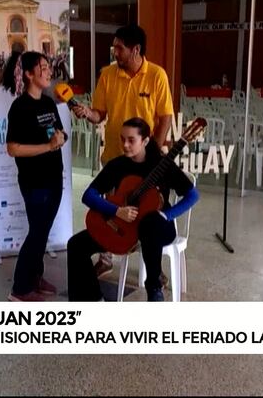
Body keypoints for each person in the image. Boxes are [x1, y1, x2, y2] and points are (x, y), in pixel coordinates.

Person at [72, 24, 174, 280]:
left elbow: (165, 117)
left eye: (119, 48)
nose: (114, 52)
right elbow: (99, 114)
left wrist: (154, 154)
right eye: (114, 47)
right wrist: (88, 114)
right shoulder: (107, 74)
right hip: (114, 160)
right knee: (111, 210)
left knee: (147, 212)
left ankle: (154, 267)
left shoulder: (157, 75)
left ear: (135, 49)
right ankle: (105, 258)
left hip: (145, 163)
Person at [67, 118, 199, 302]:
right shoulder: (118, 165)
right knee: (76, 245)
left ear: (145, 141)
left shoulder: (163, 165)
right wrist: (116, 211)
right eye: (122, 139)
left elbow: (193, 195)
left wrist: (166, 215)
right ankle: (92, 300)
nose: (125, 145)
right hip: (123, 228)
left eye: (131, 140)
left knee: (150, 223)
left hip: (158, 227)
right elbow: (88, 195)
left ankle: (154, 288)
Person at [3, 51, 67, 302]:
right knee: (37, 233)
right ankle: (19, 289)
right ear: (29, 74)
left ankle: (35, 276)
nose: (49, 71)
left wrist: (60, 138)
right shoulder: (20, 107)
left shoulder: (48, 103)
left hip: (54, 177)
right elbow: (13, 148)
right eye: (43, 67)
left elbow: (59, 132)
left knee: (42, 231)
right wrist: (48, 146)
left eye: (49, 66)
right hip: (35, 182)